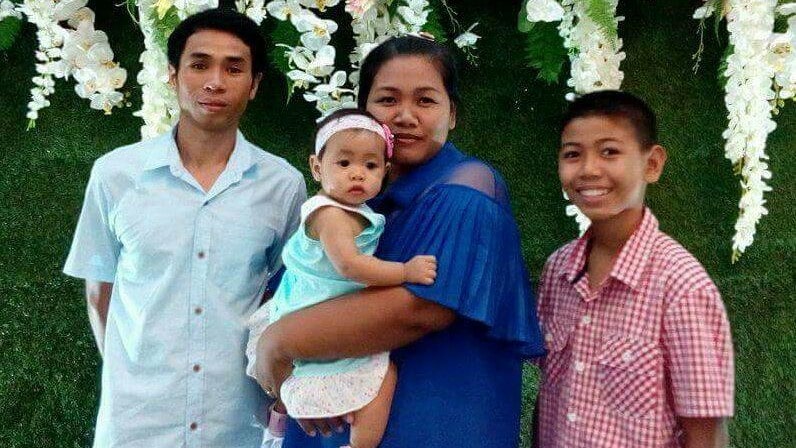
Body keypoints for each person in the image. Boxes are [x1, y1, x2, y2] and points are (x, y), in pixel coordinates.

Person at [254, 35, 546, 447]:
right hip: (344, 415)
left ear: (452, 114)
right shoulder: (357, 202)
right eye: (387, 100)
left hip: (432, 423)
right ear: (364, 113)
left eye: (426, 101)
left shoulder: (466, 192)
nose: (405, 116)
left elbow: (420, 310)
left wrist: (277, 342)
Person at [62, 8, 306, 447]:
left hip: (238, 421)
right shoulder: (115, 174)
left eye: (234, 68)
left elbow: (286, 295)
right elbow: (100, 292)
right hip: (137, 424)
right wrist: (128, 374)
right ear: (173, 76)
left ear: (254, 85)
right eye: (199, 65)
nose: (215, 82)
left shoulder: (282, 185)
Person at [536, 90, 734, 447]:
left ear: (652, 164)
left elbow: (706, 434)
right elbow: (550, 396)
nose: (589, 169)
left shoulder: (682, 287)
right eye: (573, 154)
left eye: (609, 152)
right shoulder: (558, 270)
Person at [246, 108, 438, 448]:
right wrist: (405, 271)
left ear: (385, 171)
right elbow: (350, 266)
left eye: (370, 166)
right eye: (344, 163)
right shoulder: (331, 215)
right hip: (311, 310)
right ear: (317, 168)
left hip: (315, 304)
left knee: (317, 379)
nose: (357, 174)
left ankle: (279, 419)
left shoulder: (352, 210)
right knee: (382, 376)